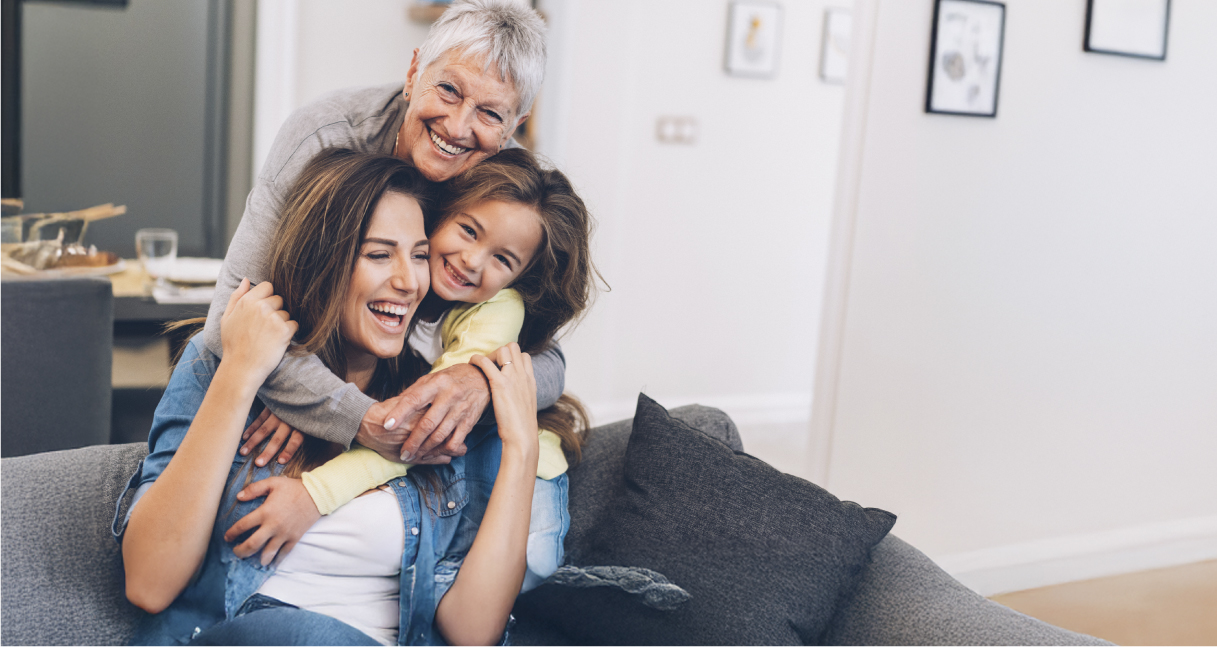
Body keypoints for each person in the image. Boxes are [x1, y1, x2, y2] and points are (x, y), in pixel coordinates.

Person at [121, 150, 541, 646]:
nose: (409, 282)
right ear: (324, 259)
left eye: (420, 254)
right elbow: (149, 583)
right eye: (379, 254)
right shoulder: (223, 364)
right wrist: (240, 374)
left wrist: (522, 447)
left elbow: (473, 634)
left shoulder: (434, 399)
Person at [205, 0, 558, 470]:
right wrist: (352, 414)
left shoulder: (508, 189)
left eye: (490, 115)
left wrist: (478, 381)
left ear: (514, 128)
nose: (458, 127)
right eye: (449, 90)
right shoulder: (324, 138)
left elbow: (551, 361)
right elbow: (227, 321)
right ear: (414, 73)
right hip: (299, 392)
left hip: (405, 398)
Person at [226, 149, 596, 594]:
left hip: (524, 498)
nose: (473, 261)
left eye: (503, 260)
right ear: (441, 214)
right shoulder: (409, 294)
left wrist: (314, 495)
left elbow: (417, 430)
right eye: (468, 231)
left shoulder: (496, 313)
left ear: (521, 277)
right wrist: (303, 402)